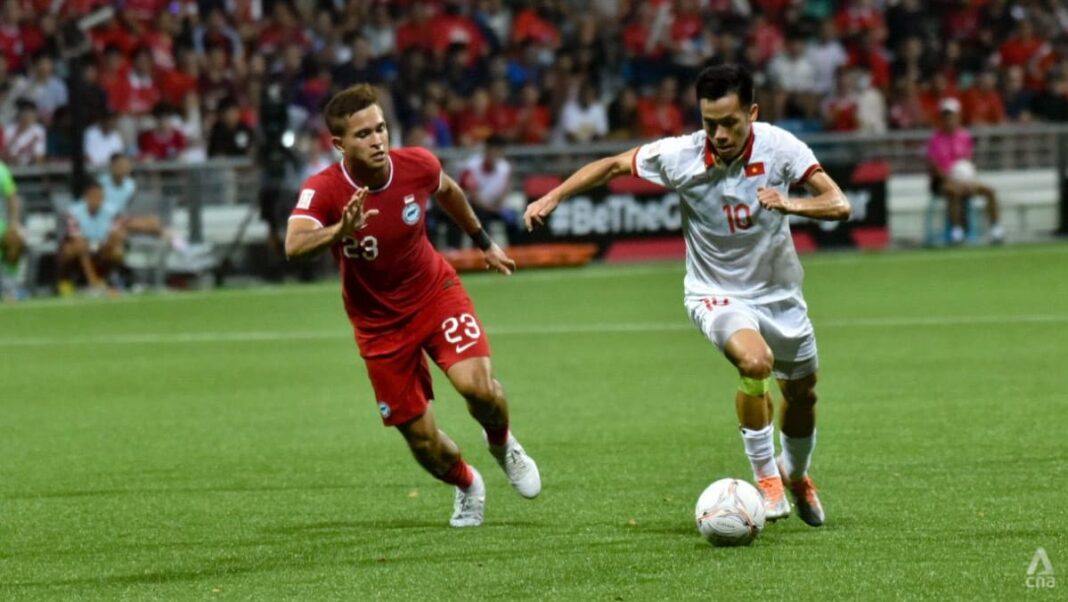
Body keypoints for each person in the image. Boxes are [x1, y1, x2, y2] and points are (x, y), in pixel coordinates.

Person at [525, 64, 851, 528]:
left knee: (802, 396)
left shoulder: (781, 148)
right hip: (714, 293)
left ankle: (795, 475)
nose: (718, 133)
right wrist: (553, 197)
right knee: (754, 362)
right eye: (708, 122)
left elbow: (839, 203)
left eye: (729, 123)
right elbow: (614, 164)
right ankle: (767, 482)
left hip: (779, 295)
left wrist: (790, 203)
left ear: (752, 113)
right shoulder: (681, 156)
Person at [284, 84, 541, 528]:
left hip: (434, 294)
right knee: (422, 442)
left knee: (479, 388)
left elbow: (450, 192)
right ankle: (467, 484)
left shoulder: (417, 164)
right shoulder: (323, 189)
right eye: (363, 134)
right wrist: (338, 232)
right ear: (339, 144)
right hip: (379, 326)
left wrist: (484, 243)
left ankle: (502, 444)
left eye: (381, 128)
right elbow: (294, 246)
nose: (377, 139)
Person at [926, 97, 1004, 245]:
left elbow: (968, 163)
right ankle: (957, 231)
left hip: (965, 180)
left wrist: (969, 180)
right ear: (941, 118)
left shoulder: (965, 136)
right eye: (946, 116)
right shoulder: (935, 139)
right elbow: (934, 167)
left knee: (990, 191)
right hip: (943, 181)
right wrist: (951, 179)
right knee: (953, 192)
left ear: (958, 117)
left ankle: (996, 229)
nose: (949, 120)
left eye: (952, 116)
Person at [58, 180, 124, 295]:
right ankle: (90, 282)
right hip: (80, 247)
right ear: (86, 196)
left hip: (101, 246)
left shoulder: (112, 211)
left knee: (117, 250)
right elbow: (76, 237)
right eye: (94, 196)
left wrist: (110, 242)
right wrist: (92, 245)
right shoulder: (73, 212)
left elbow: (116, 233)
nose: (97, 199)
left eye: (100, 196)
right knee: (78, 247)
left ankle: (110, 280)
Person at [0, 160, 25, 299]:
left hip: (1, 227)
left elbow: (13, 197)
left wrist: (14, 223)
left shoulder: (1, 170)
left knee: (15, 240)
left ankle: (8, 287)